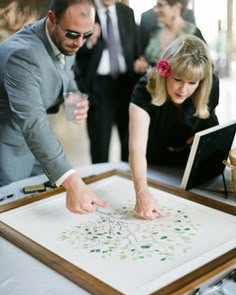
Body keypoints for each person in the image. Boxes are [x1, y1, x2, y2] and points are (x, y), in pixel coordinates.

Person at [0, 0, 108, 214]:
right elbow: (33, 124)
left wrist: (75, 96)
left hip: (39, 152)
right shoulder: (22, 55)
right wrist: (74, 182)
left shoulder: (67, 37)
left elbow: (66, 75)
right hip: (8, 151)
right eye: (73, 35)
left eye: (86, 36)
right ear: (52, 19)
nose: (79, 43)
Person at [129, 35, 219, 220]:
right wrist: (142, 191)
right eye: (178, 79)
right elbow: (137, 148)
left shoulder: (210, 86)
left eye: (192, 83)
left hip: (189, 167)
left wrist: (202, 138)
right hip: (153, 163)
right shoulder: (144, 89)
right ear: (165, 71)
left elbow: (212, 127)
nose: (184, 89)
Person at [75, 0, 140, 163]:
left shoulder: (127, 13)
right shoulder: (83, 11)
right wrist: (89, 41)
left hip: (126, 85)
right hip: (98, 87)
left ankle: (128, 182)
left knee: (129, 142)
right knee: (99, 145)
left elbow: (135, 45)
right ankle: (99, 184)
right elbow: (73, 50)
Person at [134, 0, 206, 75]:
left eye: (160, 5)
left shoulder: (194, 35)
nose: (155, 10)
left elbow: (204, 69)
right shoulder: (154, 31)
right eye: (156, 5)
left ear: (177, 7)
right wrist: (142, 65)